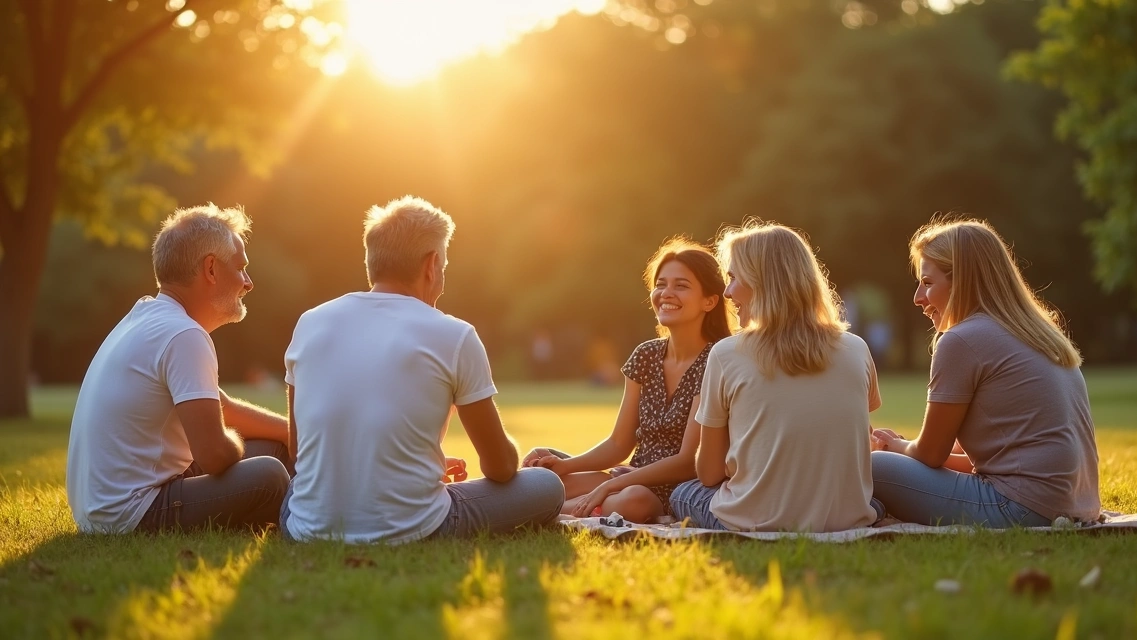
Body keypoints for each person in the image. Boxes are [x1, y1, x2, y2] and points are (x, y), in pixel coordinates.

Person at [280, 196, 564, 543]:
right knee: (547, 486)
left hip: (303, 528)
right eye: (443, 265)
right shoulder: (454, 334)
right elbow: (500, 468)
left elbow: (299, 452)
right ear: (431, 265)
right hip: (413, 529)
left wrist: (415, 463)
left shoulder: (310, 322)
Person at [66, 204, 292, 534]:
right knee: (268, 476)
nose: (248, 282)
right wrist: (235, 443)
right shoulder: (184, 334)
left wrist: (295, 434)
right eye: (241, 267)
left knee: (275, 447)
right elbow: (214, 455)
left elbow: (222, 407)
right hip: (133, 512)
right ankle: (315, 517)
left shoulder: (147, 316)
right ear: (211, 269)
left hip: (100, 509)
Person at [870, 218, 1100, 527]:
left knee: (873, 466)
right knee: (891, 466)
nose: (917, 298)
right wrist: (904, 450)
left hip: (1019, 508)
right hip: (1074, 506)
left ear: (962, 281)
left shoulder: (960, 340)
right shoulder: (1039, 334)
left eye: (927, 282)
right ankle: (876, 505)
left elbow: (931, 454)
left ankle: (870, 509)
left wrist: (895, 447)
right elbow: (991, 461)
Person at [670, 221, 883, 532]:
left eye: (733, 278)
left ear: (762, 282)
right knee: (875, 502)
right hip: (844, 520)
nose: (727, 292)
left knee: (682, 494)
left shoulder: (726, 354)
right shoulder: (857, 348)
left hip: (756, 520)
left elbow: (709, 474)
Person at [522, 238, 733, 523]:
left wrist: (611, 484)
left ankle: (541, 512)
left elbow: (688, 461)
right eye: (660, 284)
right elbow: (619, 443)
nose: (666, 293)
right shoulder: (645, 354)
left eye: (681, 286)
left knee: (635, 502)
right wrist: (565, 466)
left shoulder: (716, 359)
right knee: (545, 475)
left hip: (675, 487)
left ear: (709, 301)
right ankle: (546, 504)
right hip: (629, 476)